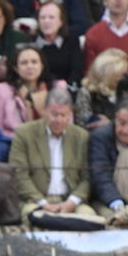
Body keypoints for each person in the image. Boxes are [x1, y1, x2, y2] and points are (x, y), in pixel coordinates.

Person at [9, 86, 95, 226]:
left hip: (70, 200)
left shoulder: (81, 136)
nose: (59, 120)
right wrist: (43, 203)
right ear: (44, 111)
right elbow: (19, 174)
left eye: (64, 115)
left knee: (89, 217)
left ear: (70, 115)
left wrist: (71, 202)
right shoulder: (24, 133)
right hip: (36, 200)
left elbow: (87, 178)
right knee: (34, 217)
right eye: (54, 114)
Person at [0, 45, 51, 146]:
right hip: (12, 142)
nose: (30, 66)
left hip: (47, 143)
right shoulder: (3, 90)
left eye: (34, 62)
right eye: (24, 63)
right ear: (16, 68)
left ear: (42, 66)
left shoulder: (54, 89)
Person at [75, 47, 128, 131]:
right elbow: (83, 124)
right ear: (109, 75)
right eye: (120, 74)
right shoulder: (86, 93)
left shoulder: (126, 90)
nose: (123, 78)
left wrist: (110, 124)